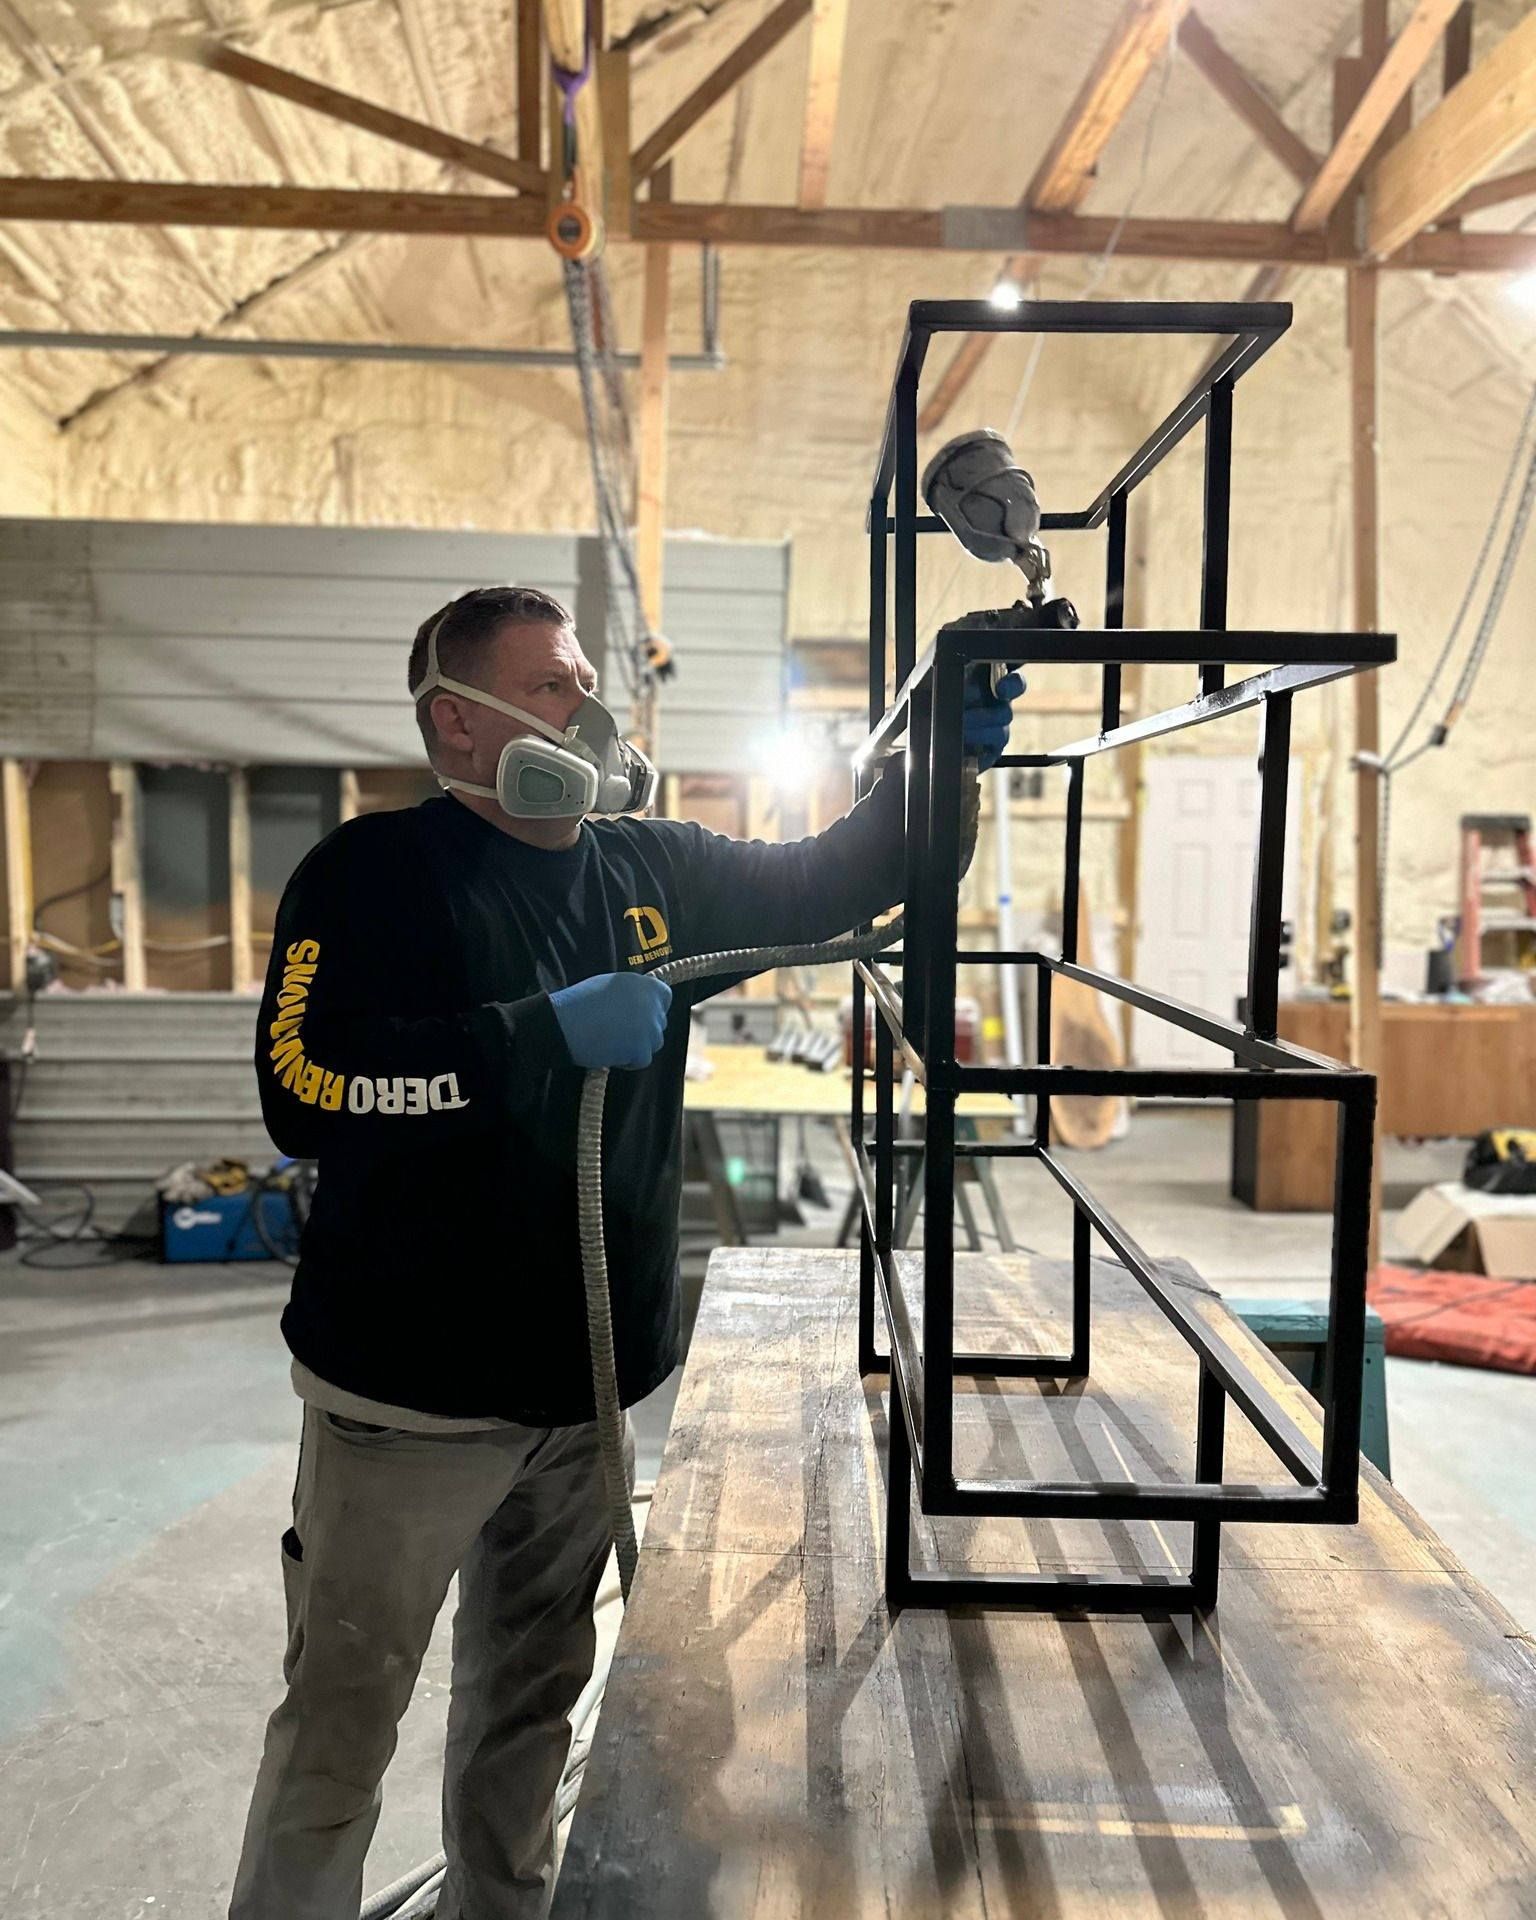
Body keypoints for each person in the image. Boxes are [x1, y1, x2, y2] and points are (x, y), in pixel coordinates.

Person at [229, 585, 1021, 1920]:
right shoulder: (370, 877)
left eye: (586, 682)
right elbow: (304, 1086)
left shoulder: (650, 869)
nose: (590, 712)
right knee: (341, 1727)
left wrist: (941, 749)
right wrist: (532, 1035)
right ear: (459, 726)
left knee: (530, 1708)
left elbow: (843, 878)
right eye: (552, 687)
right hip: (405, 1407)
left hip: (582, 1394)